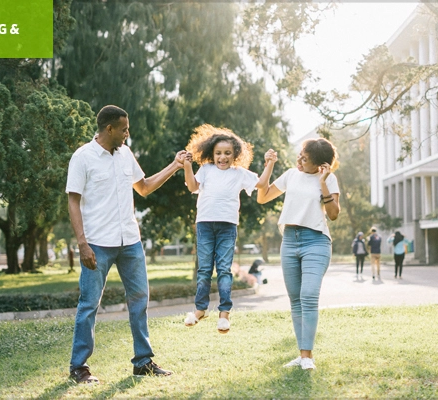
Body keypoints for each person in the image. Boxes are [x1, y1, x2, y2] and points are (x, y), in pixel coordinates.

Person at [66, 105, 183, 383]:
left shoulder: (126, 154)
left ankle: (143, 362)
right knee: (89, 304)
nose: (127, 134)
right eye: (124, 129)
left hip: (130, 241)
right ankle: (78, 367)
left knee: (140, 300)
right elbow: (73, 200)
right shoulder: (83, 157)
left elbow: (143, 187)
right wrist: (82, 243)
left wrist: (175, 165)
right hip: (97, 243)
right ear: (109, 129)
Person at [181, 124, 276, 334]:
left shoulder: (239, 173)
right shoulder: (206, 169)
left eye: (227, 153)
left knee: (224, 269)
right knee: (204, 269)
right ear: (211, 154)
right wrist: (187, 166)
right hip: (205, 224)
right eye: (218, 153)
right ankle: (200, 310)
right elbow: (192, 187)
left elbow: (261, 184)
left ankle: (224, 314)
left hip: (227, 226)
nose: (222, 157)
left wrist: (269, 164)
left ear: (235, 155)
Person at [257, 137, 340, 371]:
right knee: (296, 301)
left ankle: (307, 357)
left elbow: (333, 214)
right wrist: (269, 165)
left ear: (321, 165)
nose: (300, 160)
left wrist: (323, 182)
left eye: (306, 159)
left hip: (316, 241)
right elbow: (262, 197)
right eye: (301, 155)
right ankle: (302, 355)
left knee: (309, 295)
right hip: (290, 241)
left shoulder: (329, 178)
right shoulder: (291, 175)